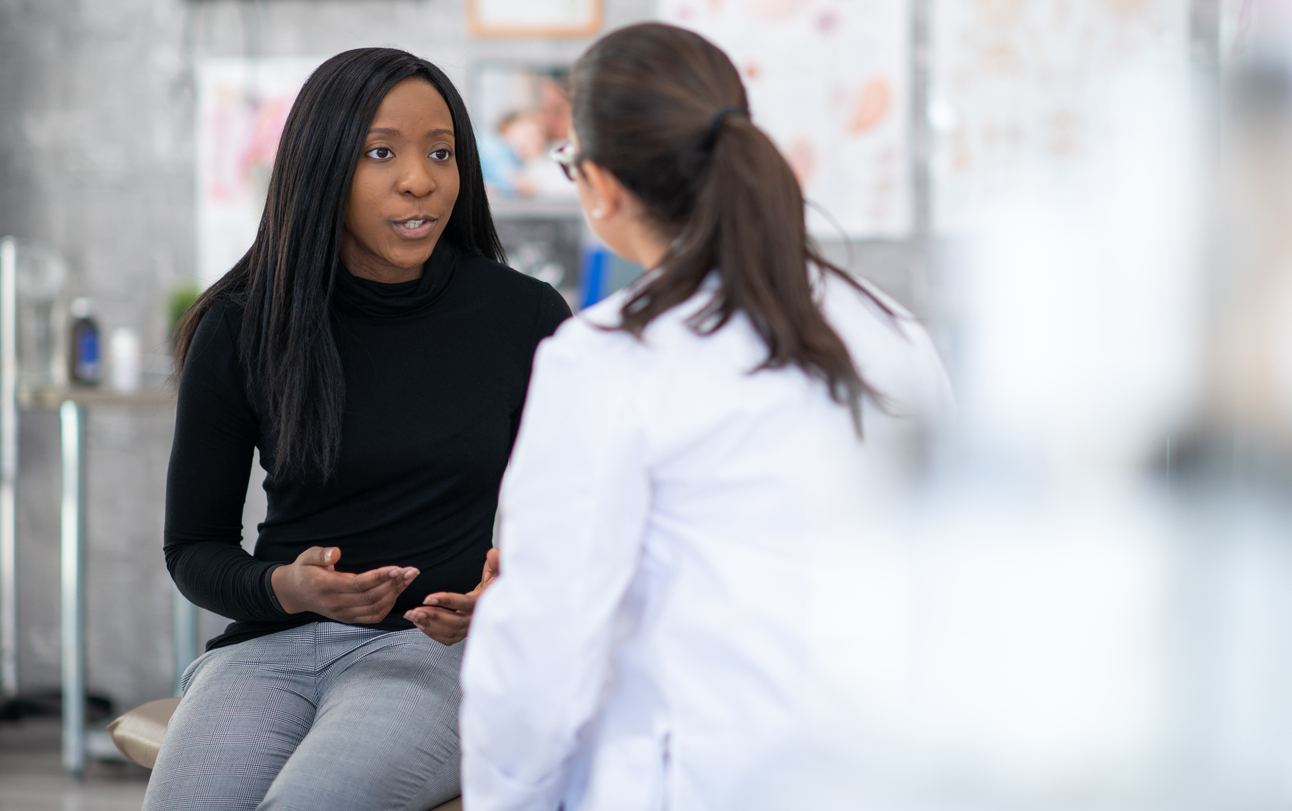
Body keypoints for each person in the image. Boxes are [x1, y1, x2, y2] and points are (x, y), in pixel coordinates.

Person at [458, 23, 953, 811]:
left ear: (602, 187)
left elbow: (545, 645)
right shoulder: (895, 332)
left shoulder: (607, 357)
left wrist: (502, 796)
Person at [145, 47, 570, 811]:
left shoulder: (526, 317)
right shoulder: (241, 323)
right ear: (324, 166)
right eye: (382, 152)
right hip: (268, 651)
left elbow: (585, 525)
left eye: (441, 152)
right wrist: (286, 585)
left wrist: (507, 599)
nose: (420, 179)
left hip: (434, 654)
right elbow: (193, 549)